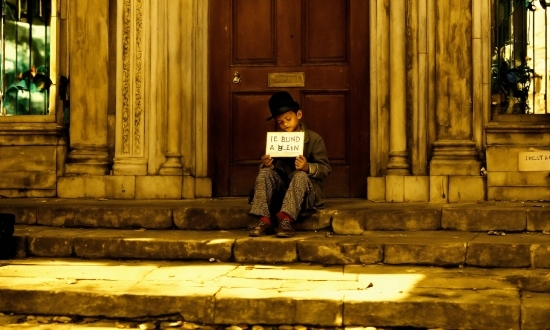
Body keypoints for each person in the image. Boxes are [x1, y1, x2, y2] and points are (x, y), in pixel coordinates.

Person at [249, 91, 331, 238]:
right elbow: (272, 174)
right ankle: (264, 219)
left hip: (306, 194)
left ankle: (285, 219)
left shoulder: (314, 139)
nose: (285, 124)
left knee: (300, 175)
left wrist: (307, 167)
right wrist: (267, 165)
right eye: (280, 122)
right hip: (281, 194)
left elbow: (325, 169)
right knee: (264, 172)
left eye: (288, 119)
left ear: (298, 115)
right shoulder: (276, 140)